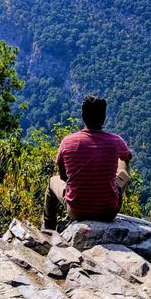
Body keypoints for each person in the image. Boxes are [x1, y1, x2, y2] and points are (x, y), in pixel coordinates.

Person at [42, 95, 132, 230]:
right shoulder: (116, 141)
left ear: (82, 116)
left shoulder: (67, 142)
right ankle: (110, 192)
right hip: (108, 211)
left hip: (77, 211)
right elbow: (127, 156)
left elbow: (63, 177)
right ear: (104, 117)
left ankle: (48, 227)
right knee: (123, 162)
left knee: (52, 181)